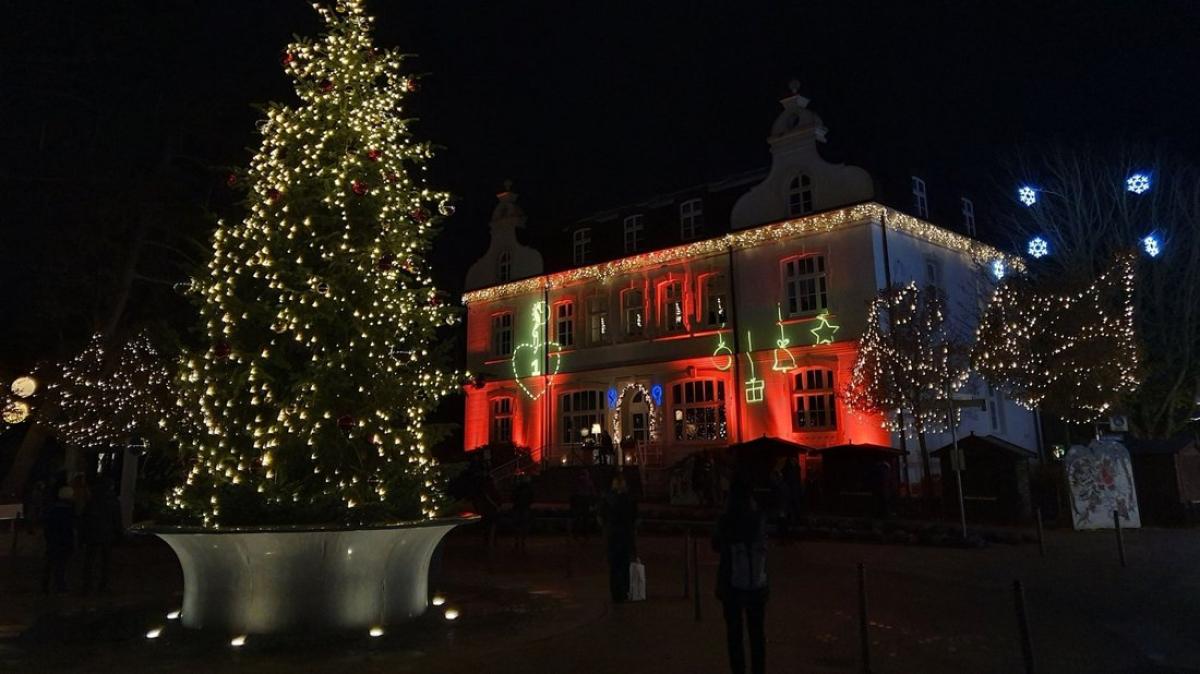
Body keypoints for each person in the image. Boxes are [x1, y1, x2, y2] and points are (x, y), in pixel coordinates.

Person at [713, 480, 768, 674]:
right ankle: (759, 669)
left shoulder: (727, 519)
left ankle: (738, 670)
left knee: (734, 635)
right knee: (757, 633)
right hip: (757, 582)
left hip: (732, 583)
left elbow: (716, 545)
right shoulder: (758, 517)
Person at [80, 477, 123, 593]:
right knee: (105, 561)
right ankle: (103, 585)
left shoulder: (93, 499)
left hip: (93, 533)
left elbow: (85, 517)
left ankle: (87, 584)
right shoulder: (112, 500)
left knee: (90, 560)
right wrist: (119, 532)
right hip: (106, 533)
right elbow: (116, 519)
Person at [601, 475, 638, 602]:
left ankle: (615, 593)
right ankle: (624, 591)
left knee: (614, 566)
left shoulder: (607, 499)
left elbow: (602, 516)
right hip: (625, 535)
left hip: (613, 535)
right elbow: (634, 518)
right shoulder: (629, 499)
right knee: (624, 565)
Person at [42, 486, 76, 595]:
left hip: (53, 540)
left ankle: (46, 585)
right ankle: (59, 585)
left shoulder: (52, 509)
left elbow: (47, 526)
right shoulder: (69, 511)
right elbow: (70, 528)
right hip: (64, 541)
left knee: (50, 563)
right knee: (61, 565)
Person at [510, 474, 534, 555]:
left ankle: (517, 540)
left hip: (518, 508)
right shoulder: (528, 489)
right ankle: (522, 540)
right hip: (524, 508)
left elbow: (512, 497)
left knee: (517, 525)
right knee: (524, 525)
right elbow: (531, 498)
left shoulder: (517, 489)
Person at [569, 469, 596, 541]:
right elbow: (593, 493)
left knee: (578, 518)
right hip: (585, 501)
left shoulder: (578, 482)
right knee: (585, 519)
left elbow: (573, 492)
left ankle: (576, 534)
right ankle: (585, 535)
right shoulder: (589, 482)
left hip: (579, 501)